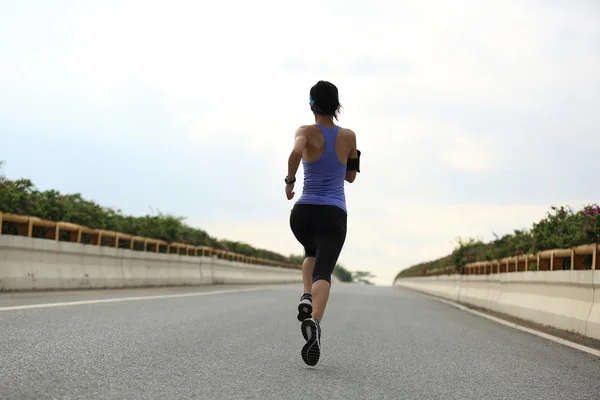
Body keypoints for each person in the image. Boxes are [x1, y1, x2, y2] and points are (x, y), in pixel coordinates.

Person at [285, 80, 360, 366]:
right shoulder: (349, 137)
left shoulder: (304, 132)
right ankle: (314, 321)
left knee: (310, 253)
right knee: (324, 272)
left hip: (303, 212)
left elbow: (295, 154)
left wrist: (290, 182)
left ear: (311, 105)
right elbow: (350, 176)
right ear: (336, 105)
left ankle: (306, 296)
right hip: (333, 213)